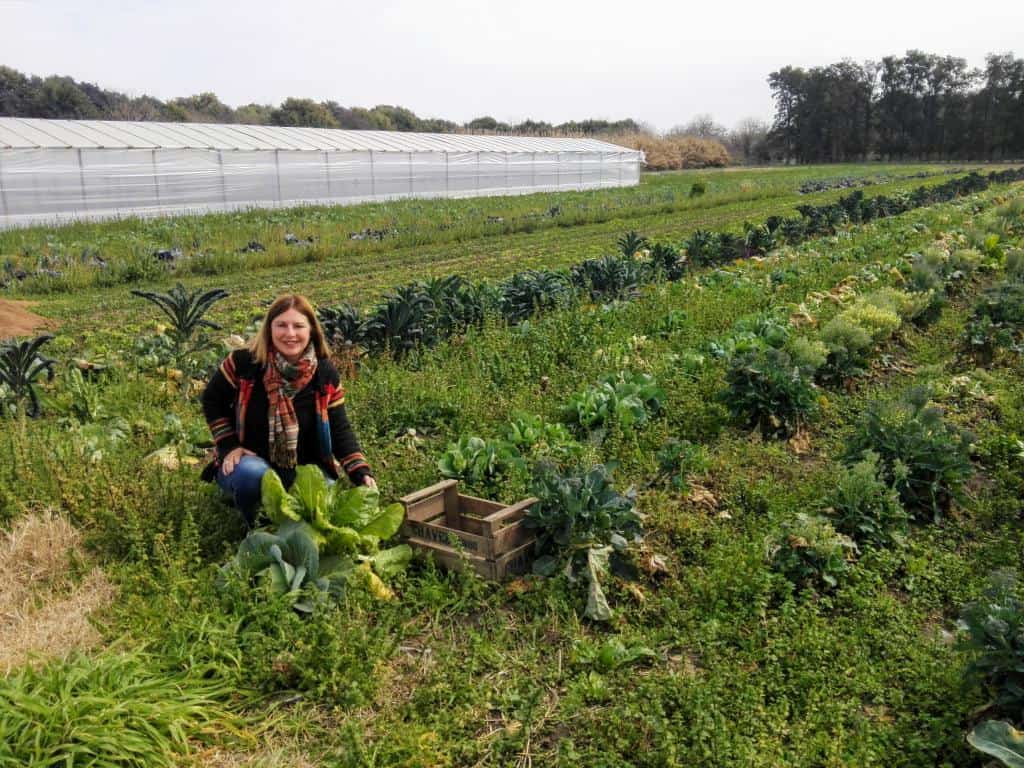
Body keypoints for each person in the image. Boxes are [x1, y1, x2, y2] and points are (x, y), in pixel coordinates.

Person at [201, 294, 375, 526]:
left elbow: (339, 428)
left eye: (298, 326)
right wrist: (228, 444)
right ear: (269, 329)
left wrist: (360, 471)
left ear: (311, 330)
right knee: (253, 475)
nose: (290, 334)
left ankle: (284, 513)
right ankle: (253, 522)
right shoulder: (244, 363)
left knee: (322, 504)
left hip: (304, 469)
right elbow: (212, 399)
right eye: (281, 325)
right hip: (252, 463)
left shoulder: (324, 374)